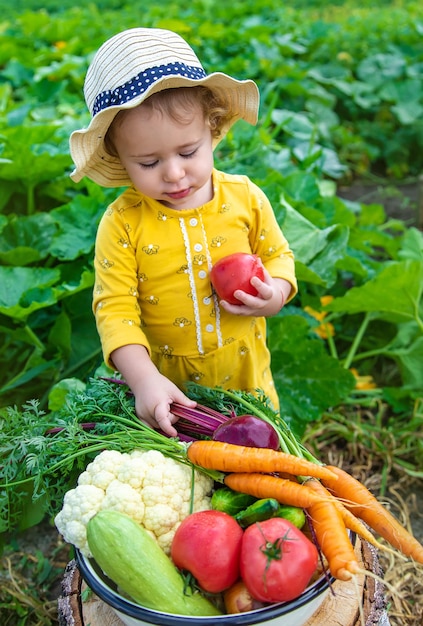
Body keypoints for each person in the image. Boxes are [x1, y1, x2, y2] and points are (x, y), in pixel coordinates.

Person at [70, 27, 298, 437]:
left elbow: (279, 256)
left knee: (260, 458)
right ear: (119, 158)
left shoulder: (245, 197)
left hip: (247, 380)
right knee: (189, 474)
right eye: (147, 163)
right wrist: (143, 381)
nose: (174, 174)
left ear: (212, 129)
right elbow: (114, 310)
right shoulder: (122, 222)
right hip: (171, 394)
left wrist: (275, 293)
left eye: (188, 153)